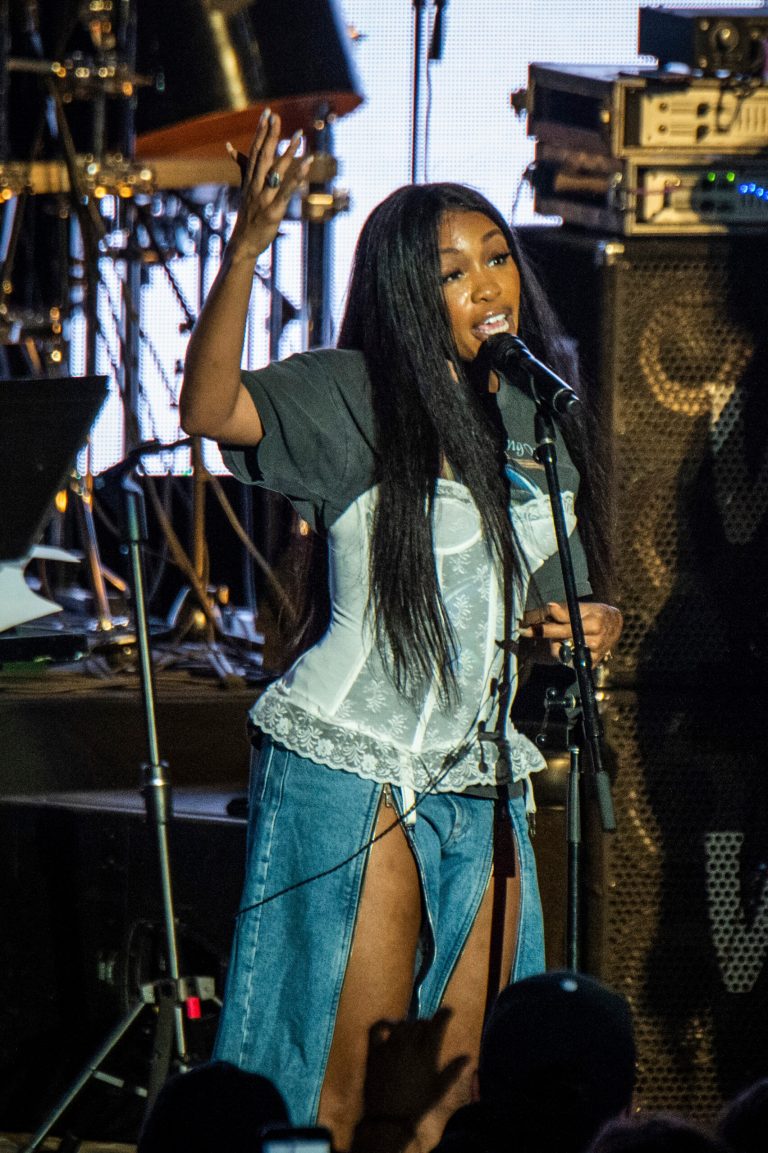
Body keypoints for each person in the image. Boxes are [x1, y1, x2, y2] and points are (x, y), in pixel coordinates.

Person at [180, 107, 623, 1151]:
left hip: (481, 776)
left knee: (455, 1090)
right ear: (406, 292)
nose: (488, 285)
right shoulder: (351, 393)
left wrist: (588, 623)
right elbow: (211, 408)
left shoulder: (535, 418)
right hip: (353, 763)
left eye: (497, 257)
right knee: (343, 1085)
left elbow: (557, 606)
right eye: (454, 270)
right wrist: (244, 253)